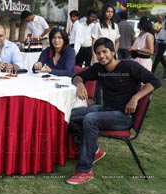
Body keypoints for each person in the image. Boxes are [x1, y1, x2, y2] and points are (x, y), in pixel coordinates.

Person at [66, 37, 161, 185]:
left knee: (90, 119)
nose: (101, 56)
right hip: (107, 109)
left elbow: (155, 81)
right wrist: (80, 84)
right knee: (73, 114)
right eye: (98, 53)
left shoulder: (129, 66)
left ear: (113, 51)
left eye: (105, 52)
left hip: (124, 116)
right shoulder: (99, 68)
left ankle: (84, 171)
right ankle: (94, 150)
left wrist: (136, 97)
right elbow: (78, 76)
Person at [91, 3, 120, 104]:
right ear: (104, 12)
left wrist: (114, 51)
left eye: (111, 12)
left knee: (113, 79)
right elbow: (93, 43)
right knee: (99, 80)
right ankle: (98, 103)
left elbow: (117, 41)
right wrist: (94, 58)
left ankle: (112, 102)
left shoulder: (115, 26)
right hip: (100, 57)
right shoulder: (97, 25)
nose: (110, 14)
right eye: (108, 12)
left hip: (112, 58)